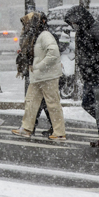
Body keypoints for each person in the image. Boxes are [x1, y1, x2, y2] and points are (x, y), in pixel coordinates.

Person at [64, 5, 99, 149]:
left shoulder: (98, 30)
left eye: (73, 22)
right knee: (97, 106)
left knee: (94, 104)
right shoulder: (83, 31)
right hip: (90, 73)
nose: (73, 25)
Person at [12, 12, 67, 140]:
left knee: (53, 104)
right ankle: (26, 128)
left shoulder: (45, 35)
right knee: (30, 102)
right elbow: (38, 53)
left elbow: (53, 53)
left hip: (48, 76)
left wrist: (38, 66)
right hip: (38, 76)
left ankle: (59, 132)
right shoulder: (35, 37)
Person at [16, 12, 53, 137]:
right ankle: (32, 127)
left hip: (42, 72)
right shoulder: (31, 34)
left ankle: (30, 127)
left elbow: (49, 52)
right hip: (35, 72)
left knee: (38, 101)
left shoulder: (42, 34)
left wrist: (37, 63)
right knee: (40, 102)